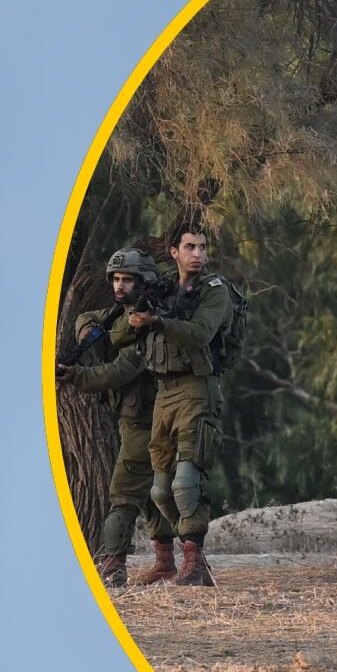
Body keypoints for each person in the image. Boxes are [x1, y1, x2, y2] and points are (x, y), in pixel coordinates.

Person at [126, 220, 239, 587]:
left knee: (185, 482)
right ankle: (176, 560)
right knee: (159, 489)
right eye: (190, 247)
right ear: (173, 252)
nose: (198, 254)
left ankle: (194, 561)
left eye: (203, 247)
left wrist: (157, 321)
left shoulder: (214, 290)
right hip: (164, 392)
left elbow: (201, 333)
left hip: (197, 389)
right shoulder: (162, 288)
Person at [59, 247, 172, 587]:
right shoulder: (120, 315)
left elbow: (121, 370)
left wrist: (76, 375)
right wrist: (87, 331)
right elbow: (88, 317)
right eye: (117, 279)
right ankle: (166, 562)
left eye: (128, 280)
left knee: (122, 493)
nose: (120, 286)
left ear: (144, 282)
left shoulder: (147, 320)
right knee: (153, 492)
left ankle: (113, 565)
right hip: (134, 417)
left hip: (147, 419)